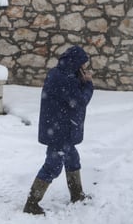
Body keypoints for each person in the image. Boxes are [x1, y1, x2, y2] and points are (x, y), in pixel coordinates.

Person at [23, 45, 94, 215]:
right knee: (53, 165)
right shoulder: (65, 78)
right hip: (60, 131)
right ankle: (32, 203)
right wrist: (88, 84)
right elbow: (79, 102)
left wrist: (81, 80)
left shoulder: (61, 73)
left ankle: (77, 195)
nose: (84, 68)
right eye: (83, 64)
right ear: (75, 63)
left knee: (72, 159)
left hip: (60, 128)